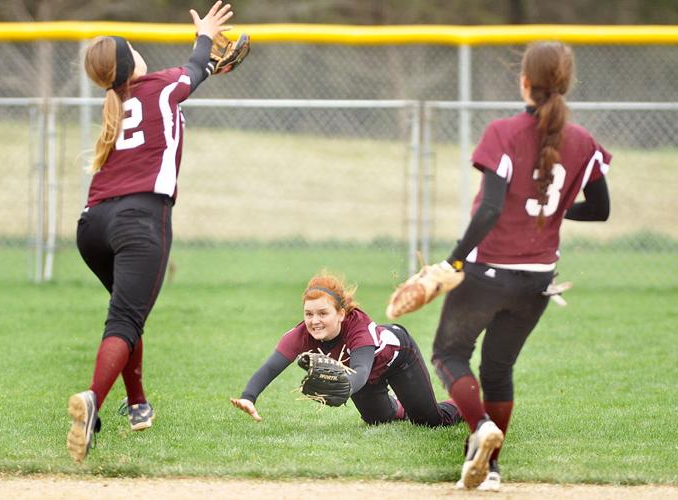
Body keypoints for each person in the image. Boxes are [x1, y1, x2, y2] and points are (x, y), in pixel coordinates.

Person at [423, 42, 611, 490]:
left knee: (449, 354)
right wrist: (553, 210)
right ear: (564, 83)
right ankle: (491, 469)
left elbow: (488, 210)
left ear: (524, 81)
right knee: (498, 369)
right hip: (538, 280)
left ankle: (481, 428)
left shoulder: (504, 132)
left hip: (488, 271)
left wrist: (453, 260)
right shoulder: (583, 141)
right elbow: (600, 209)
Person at [66, 1, 235, 463]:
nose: (140, 53)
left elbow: (194, 74)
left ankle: (138, 405)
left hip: (92, 224)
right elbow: (195, 68)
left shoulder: (117, 102)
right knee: (125, 319)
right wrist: (206, 35)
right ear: (128, 63)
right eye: (133, 50)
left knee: (126, 314)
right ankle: (92, 402)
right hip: (140, 220)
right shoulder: (159, 85)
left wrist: (206, 62)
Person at [231, 272, 462, 428]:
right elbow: (272, 366)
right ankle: (403, 406)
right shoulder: (303, 334)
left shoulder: (358, 327)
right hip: (362, 376)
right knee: (377, 420)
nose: (314, 321)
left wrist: (342, 388)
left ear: (341, 314)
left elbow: (360, 371)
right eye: (309, 314)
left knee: (430, 422)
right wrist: (248, 397)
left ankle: (462, 403)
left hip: (398, 357)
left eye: (323, 313)